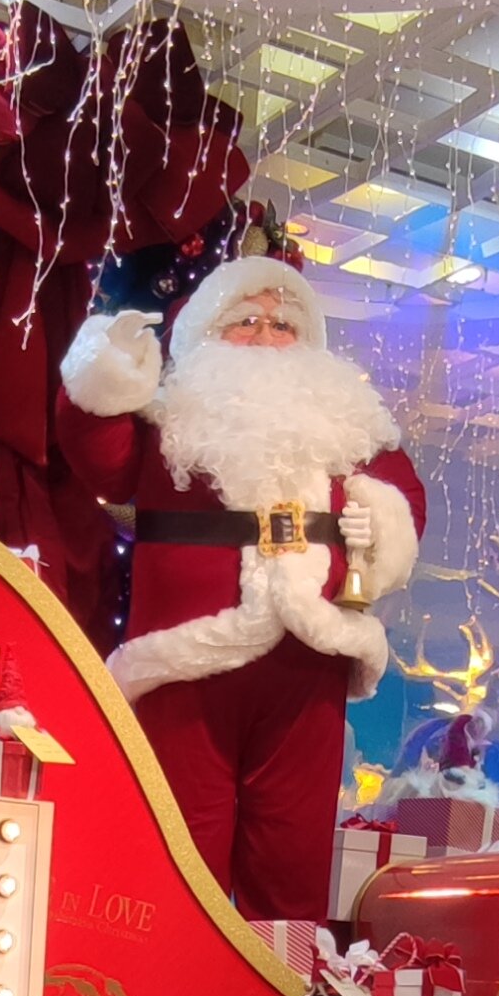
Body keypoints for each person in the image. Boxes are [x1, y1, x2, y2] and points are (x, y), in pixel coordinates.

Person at [55, 252, 426, 918]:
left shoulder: (348, 425)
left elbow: (404, 497)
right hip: (186, 660)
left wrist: (386, 526)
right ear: (203, 334)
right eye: (244, 321)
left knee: (292, 856)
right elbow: (99, 456)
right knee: (176, 846)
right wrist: (106, 375)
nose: (264, 335)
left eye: (282, 325)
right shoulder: (169, 414)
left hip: (309, 657)